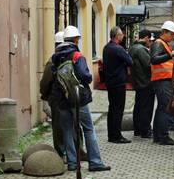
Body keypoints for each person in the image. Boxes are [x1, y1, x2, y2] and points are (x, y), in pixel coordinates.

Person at [46, 25, 110, 171]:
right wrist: (88, 77)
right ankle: (95, 162)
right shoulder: (77, 56)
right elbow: (85, 76)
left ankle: (73, 163)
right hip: (77, 98)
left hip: (61, 99)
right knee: (88, 128)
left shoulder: (56, 57)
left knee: (68, 130)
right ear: (76, 39)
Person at [150, 20, 174, 145]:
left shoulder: (163, 43)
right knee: (165, 108)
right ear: (165, 32)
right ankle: (163, 136)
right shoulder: (159, 43)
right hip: (162, 81)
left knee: (162, 108)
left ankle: (158, 136)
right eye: (172, 34)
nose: (173, 36)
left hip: (163, 80)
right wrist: (170, 55)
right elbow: (154, 59)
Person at [102, 26, 133, 144]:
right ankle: (117, 136)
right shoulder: (118, 49)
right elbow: (130, 61)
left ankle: (111, 134)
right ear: (117, 36)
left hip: (110, 82)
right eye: (121, 34)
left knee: (112, 109)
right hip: (118, 83)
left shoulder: (107, 47)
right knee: (118, 110)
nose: (123, 36)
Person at [129, 29, 154, 139]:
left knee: (138, 106)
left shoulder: (132, 47)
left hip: (137, 81)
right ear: (147, 38)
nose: (150, 42)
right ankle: (145, 131)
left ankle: (137, 129)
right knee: (145, 107)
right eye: (150, 40)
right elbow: (149, 64)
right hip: (145, 82)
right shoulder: (141, 49)